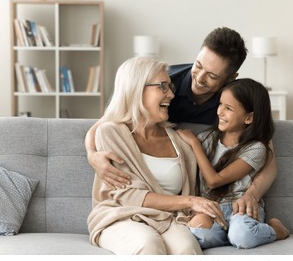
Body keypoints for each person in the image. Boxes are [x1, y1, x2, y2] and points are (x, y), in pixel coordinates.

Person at [85, 27, 277, 221]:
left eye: (212, 76)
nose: (200, 78)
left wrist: (252, 194)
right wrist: (93, 155)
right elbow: (108, 120)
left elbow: (267, 156)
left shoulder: (232, 101)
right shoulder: (165, 83)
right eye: (199, 65)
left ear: (229, 79)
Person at [87, 57, 227, 255]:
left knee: (187, 249)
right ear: (136, 89)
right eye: (162, 86)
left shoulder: (180, 141)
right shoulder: (111, 133)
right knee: (148, 244)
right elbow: (129, 196)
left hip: (169, 219)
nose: (171, 94)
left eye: (170, 86)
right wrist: (191, 201)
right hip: (121, 216)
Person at [177, 79, 289, 249]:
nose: (220, 112)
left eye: (228, 108)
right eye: (220, 104)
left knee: (243, 235)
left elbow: (214, 180)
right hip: (212, 208)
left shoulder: (256, 148)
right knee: (197, 232)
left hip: (240, 208)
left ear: (249, 117)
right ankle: (228, 235)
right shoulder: (207, 139)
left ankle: (276, 230)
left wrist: (194, 144)